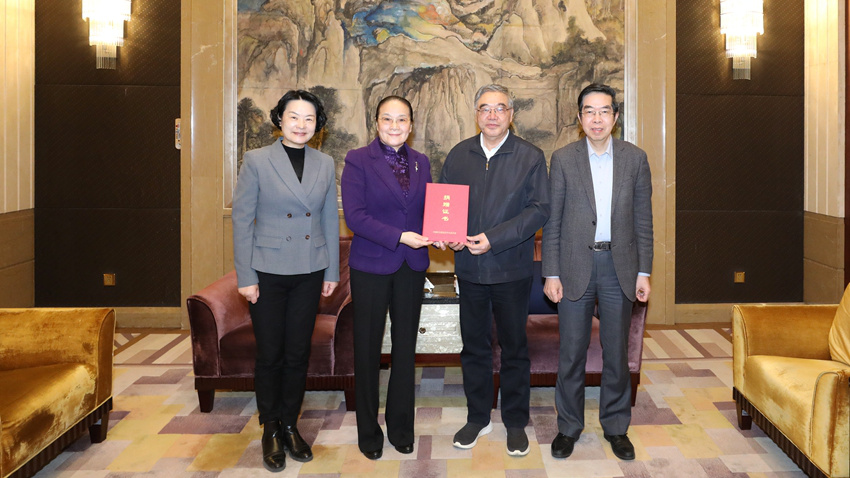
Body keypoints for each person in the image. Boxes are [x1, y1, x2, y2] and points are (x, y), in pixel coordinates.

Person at [542, 83, 653, 461]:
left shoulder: (635, 159)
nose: (597, 119)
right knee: (571, 353)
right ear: (579, 118)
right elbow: (553, 222)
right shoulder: (563, 159)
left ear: (615, 117)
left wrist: (644, 271)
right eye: (589, 111)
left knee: (617, 354)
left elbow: (643, 222)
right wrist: (551, 272)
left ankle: (616, 427)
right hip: (574, 267)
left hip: (619, 268)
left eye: (604, 111)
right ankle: (568, 427)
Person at [232, 90, 340, 473]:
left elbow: (328, 219)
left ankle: (291, 425)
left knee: (297, 353)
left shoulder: (325, 163)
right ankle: (270, 429)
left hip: (309, 270)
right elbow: (242, 219)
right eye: (293, 116)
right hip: (267, 272)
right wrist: (246, 276)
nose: (301, 125)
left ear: (317, 125)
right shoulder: (257, 160)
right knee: (270, 354)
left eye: (309, 118)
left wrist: (331, 271)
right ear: (280, 119)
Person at [439, 84, 550, 457]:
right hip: (469, 270)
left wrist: (494, 238)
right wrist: (449, 237)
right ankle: (478, 417)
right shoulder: (459, 154)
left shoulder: (530, 156)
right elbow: (446, 206)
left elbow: (539, 209)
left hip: (511, 270)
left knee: (514, 348)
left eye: (500, 108)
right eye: (485, 108)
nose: (492, 115)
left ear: (511, 114)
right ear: (476, 114)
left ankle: (515, 422)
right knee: (473, 347)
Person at [340, 96, 432, 460]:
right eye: (387, 119)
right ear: (376, 122)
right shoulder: (358, 159)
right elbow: (355, 217)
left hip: (412, 266)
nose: (395, 126)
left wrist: (442, 233)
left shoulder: (421, 162)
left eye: (402, 119)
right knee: (367, 350)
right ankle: (368, 432)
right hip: (372, 266)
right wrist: (400, 236)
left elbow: (428, 212)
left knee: (405, 350)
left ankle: (401, 428)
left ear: (411, 125)